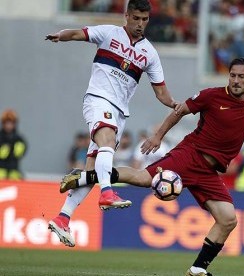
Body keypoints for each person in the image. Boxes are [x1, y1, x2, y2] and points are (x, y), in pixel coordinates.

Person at [59, 58, 244, 275]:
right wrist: (158, 136)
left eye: (241, 76)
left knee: (228, 219)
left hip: (209, 172)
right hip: (190, 155)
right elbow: (180, 111)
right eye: (232, 75)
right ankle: (86, 176)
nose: (236, 81)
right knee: (143, 179)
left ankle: (198, 268)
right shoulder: (211, 96)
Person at [45, 0, 179, 247]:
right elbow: (78, 33)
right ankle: (107, 193)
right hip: (98, 100)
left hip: (119, 113)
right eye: (136, 18)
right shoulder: (109, 32)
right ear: (126, 15)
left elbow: (161, 92)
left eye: (145, 19)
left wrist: (174, 105)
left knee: (92, 170)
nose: (140, 24)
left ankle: (63, 218)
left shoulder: (149, 52)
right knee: (106, 142)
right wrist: (60, 36)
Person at [0, 109, 27, 180]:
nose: (8, 126)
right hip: (1, 169)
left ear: (14, 124)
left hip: (14, 170)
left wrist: (21, 150)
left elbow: (24, 149)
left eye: (11, 123)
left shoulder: (19, 139)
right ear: (3, 124)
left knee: (17, 178)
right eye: (6, 123)